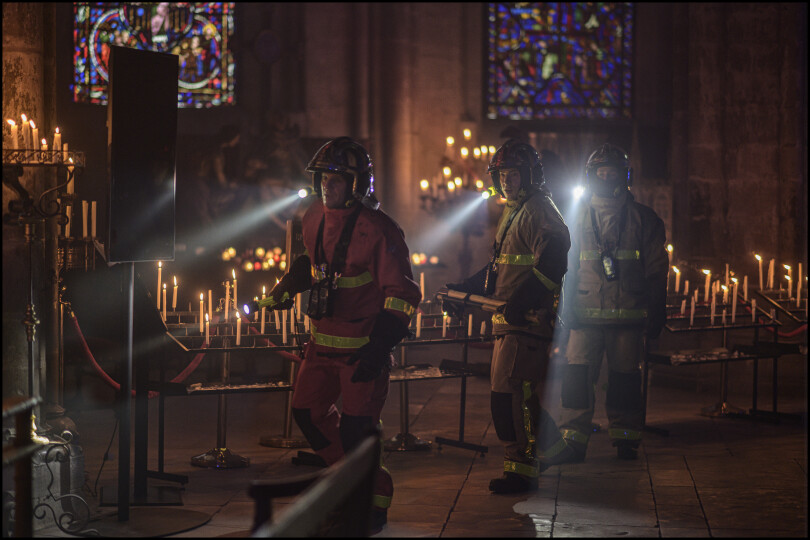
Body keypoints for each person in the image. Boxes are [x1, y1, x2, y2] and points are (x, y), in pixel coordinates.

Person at [245, 137, 421, 533]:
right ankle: (346, 487)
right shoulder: (313, 216)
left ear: (358, 184)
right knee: (307, 415)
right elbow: (312, 262)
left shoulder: (379, 229)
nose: (328, 185)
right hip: (320, 346)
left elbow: (404, 294)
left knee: (358, 435)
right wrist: (286, 288)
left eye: (337, 179)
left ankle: (374, 499)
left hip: (362, 353)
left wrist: (378, 349)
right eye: (324, 178)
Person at [445, 139, 575, 494]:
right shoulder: (515, 210)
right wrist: (464, 290)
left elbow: (554, 257)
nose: (506, 181)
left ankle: (520, 470)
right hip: (511, 322)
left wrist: (522, 301)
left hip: (526, 322)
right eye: (502, 175)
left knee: (508, 396)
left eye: (513, 174)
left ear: (530, 175)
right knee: (520, 395)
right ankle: (551, 449)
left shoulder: (538, 209)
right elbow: (499, 268)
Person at [558, 143, 668, 461]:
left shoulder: (645, 220)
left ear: (625, 176)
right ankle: (573, 439)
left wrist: (657, 309)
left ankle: (625, 438)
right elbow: (566, 268)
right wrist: (564, 312)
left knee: (625, 381)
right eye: (601, 172)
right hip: (583, 315)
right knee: (577, 379)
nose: (607, 177)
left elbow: (657, 269)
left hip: (628, 318)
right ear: (592, 176)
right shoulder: (575, 219)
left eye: (613, 172)